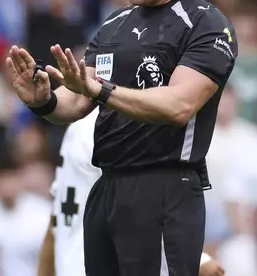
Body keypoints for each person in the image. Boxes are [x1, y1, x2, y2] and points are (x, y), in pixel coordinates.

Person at [7, 0, 237, 276]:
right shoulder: (114, 22)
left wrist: (100, 91)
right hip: (106, 187)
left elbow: (178, 105)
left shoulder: (205, 24)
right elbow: (80, 100)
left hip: (164, 189)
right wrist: (43, 100)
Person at [36, 110, 226, 276]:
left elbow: (54, 224)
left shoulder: (77, 127)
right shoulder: (112, 126)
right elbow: (134, 207)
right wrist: (199, 259)